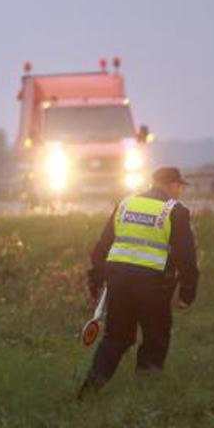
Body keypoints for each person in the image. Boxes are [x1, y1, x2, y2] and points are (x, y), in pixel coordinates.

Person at [80, 167, 199, 395]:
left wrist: (96, 280)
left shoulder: (126, 204)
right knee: (155, 337)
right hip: (153, 285)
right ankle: (145, 392)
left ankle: (89, 390)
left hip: (119, 282)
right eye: (180, 186)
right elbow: (187, 257)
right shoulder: (176, 211)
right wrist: (187, 293)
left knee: (116, 338)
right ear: (172, 185)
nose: (180, 191)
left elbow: (101, 249)